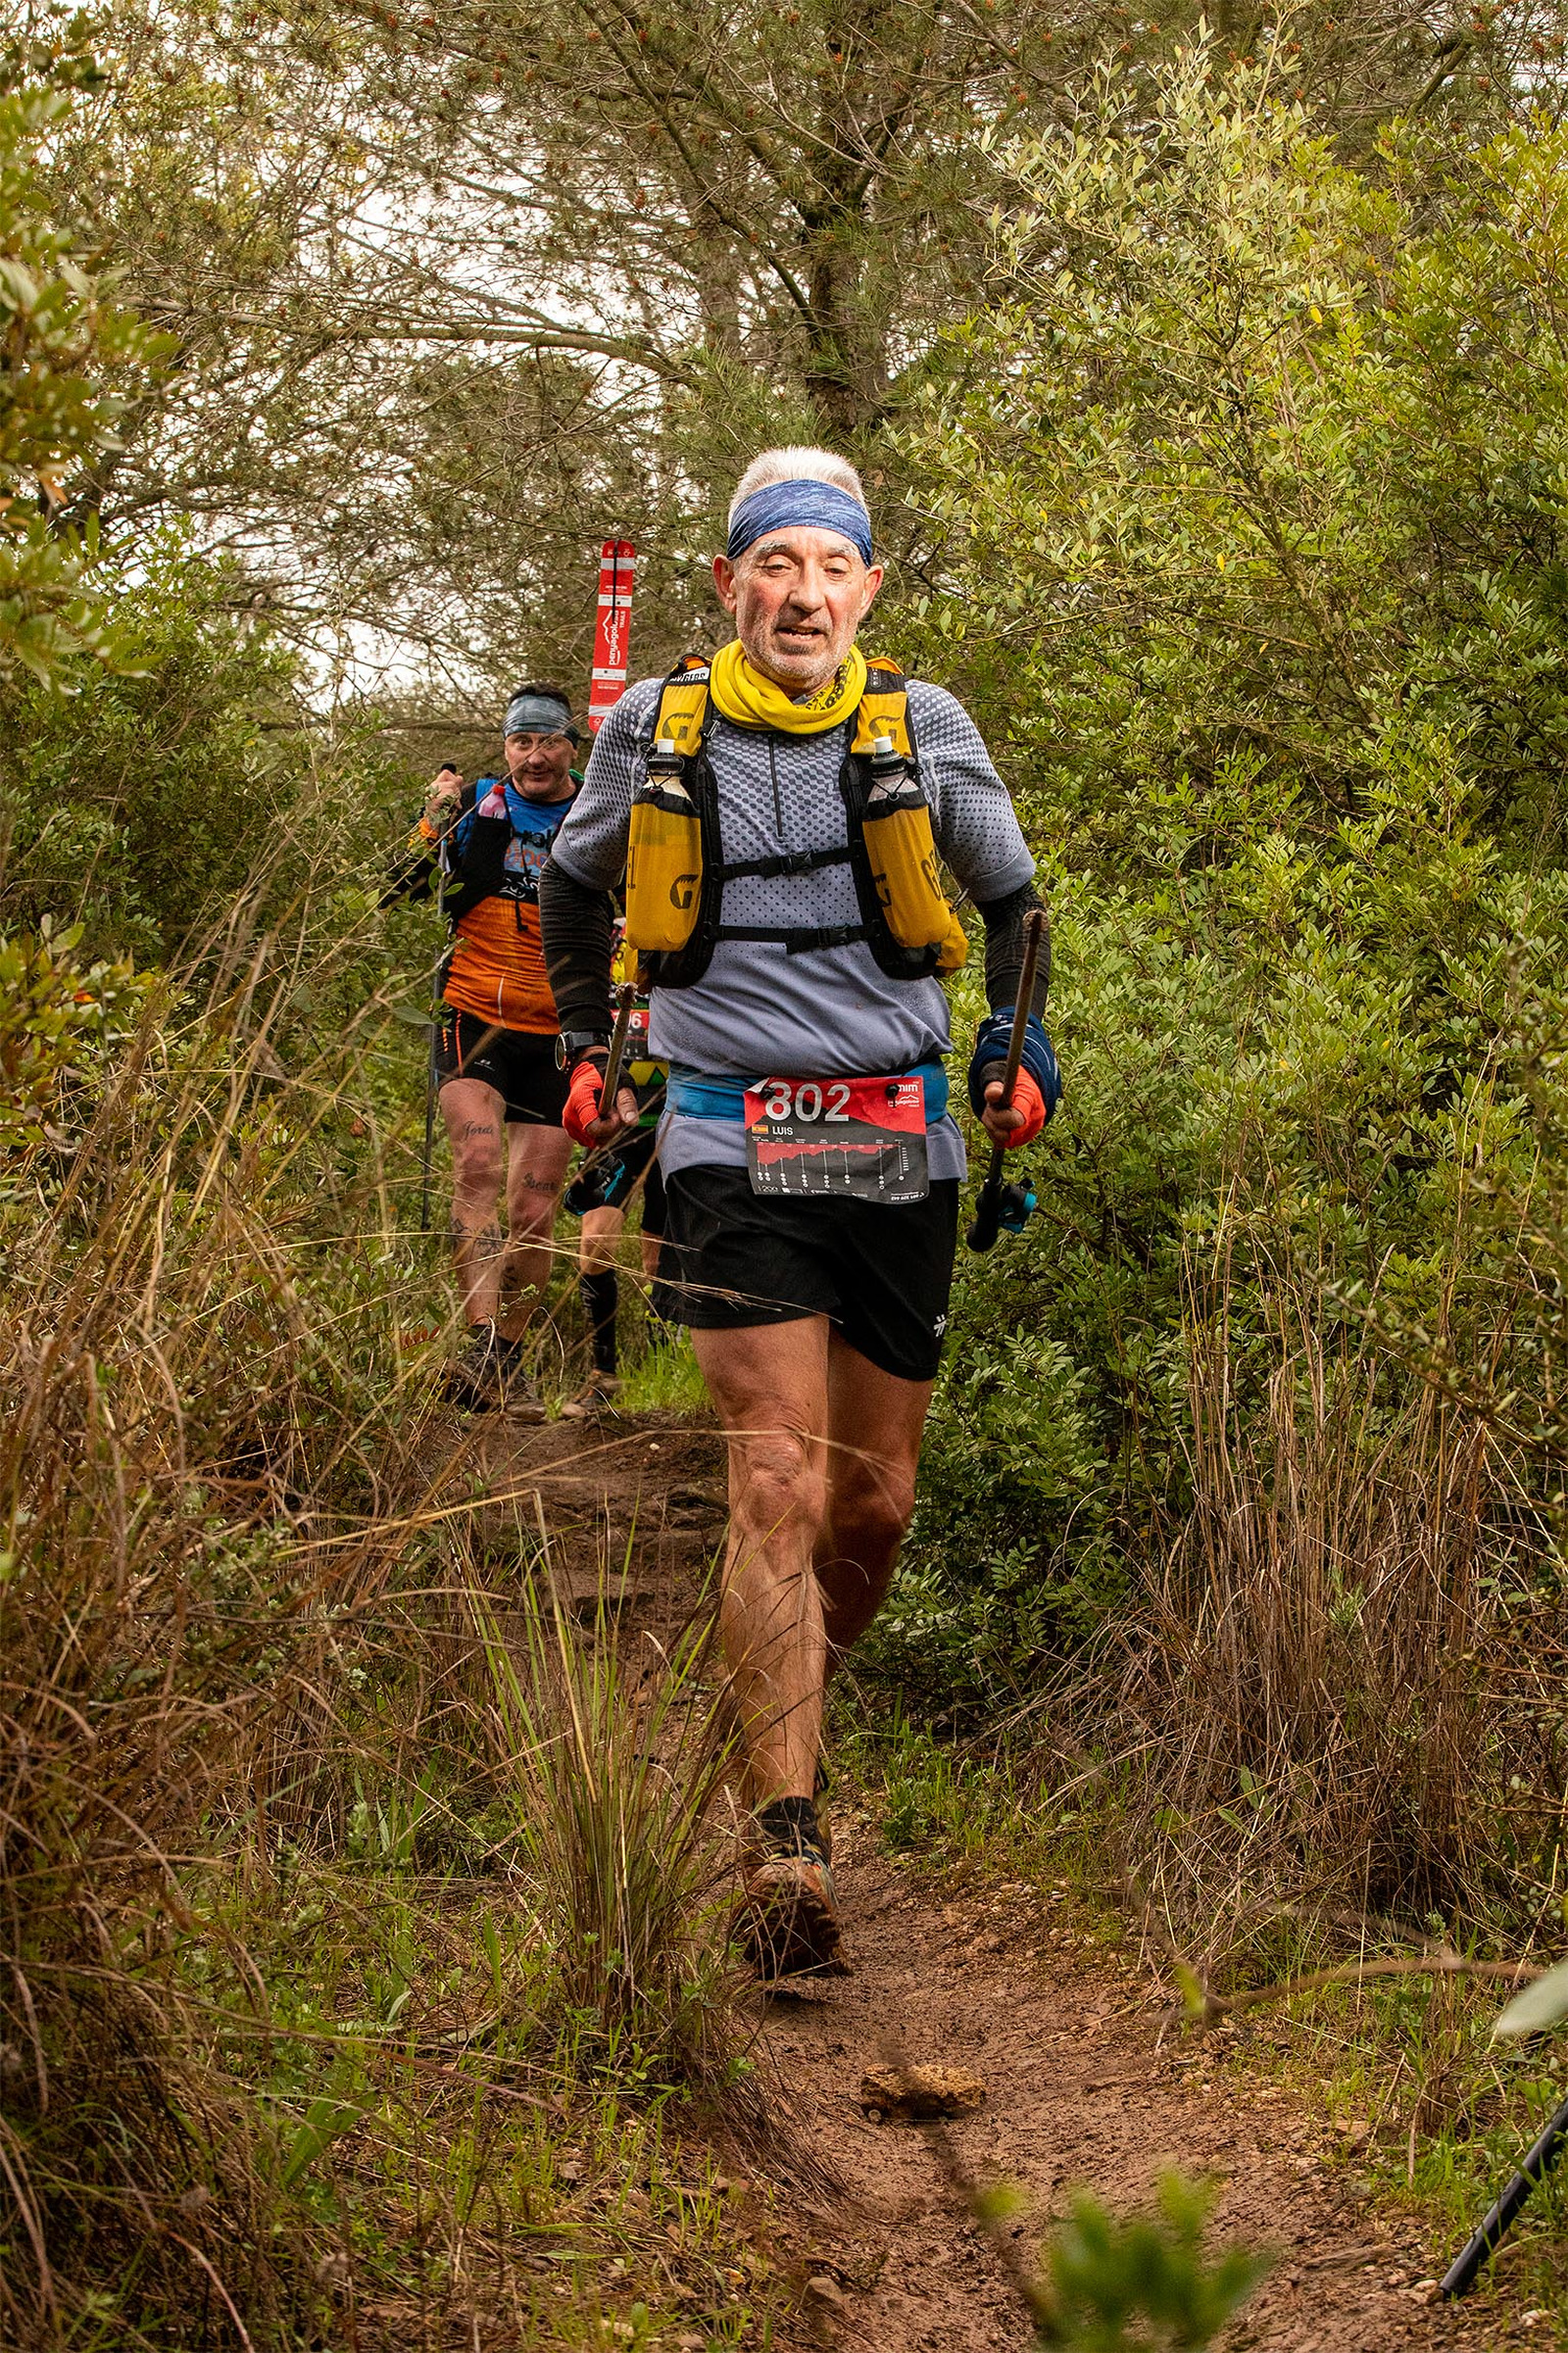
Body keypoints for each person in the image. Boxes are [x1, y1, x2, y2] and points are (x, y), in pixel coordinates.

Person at [538, 448, 1056, 1976]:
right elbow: (574, 887)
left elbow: (1017, 904)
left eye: (832, 568)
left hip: (897, 1139)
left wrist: (1016, 1048)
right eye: (776, 564)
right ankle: (785, 1838)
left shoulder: (927, 724)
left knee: (871, 1505)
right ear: (729, 584)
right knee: (775, 1477)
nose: (804, 595)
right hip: (723, 1134)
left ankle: (764, 1715)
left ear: (868, 588)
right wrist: (585, 1048)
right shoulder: (652, 725)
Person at [404, 684, 583, 1416]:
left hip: (562, 1029)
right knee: (475, 1165)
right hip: (472, 1012)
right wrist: (433, 815)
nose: (534, 757)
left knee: (534, 1208)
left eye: (548, 741)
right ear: (505, 746)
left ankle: (508, 1359)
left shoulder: (599, 811)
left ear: (572, 745)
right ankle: (481, 1344)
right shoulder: (478, 805)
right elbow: (403, 885)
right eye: (520, 742)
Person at [561, 927, 673, 1419]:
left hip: (674, 1118)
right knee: (595, 1241)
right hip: (618, 1123)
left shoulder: (676, 930)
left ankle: (664, 1374)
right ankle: (602, 1375)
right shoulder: (601, 936)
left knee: (658, 1259)